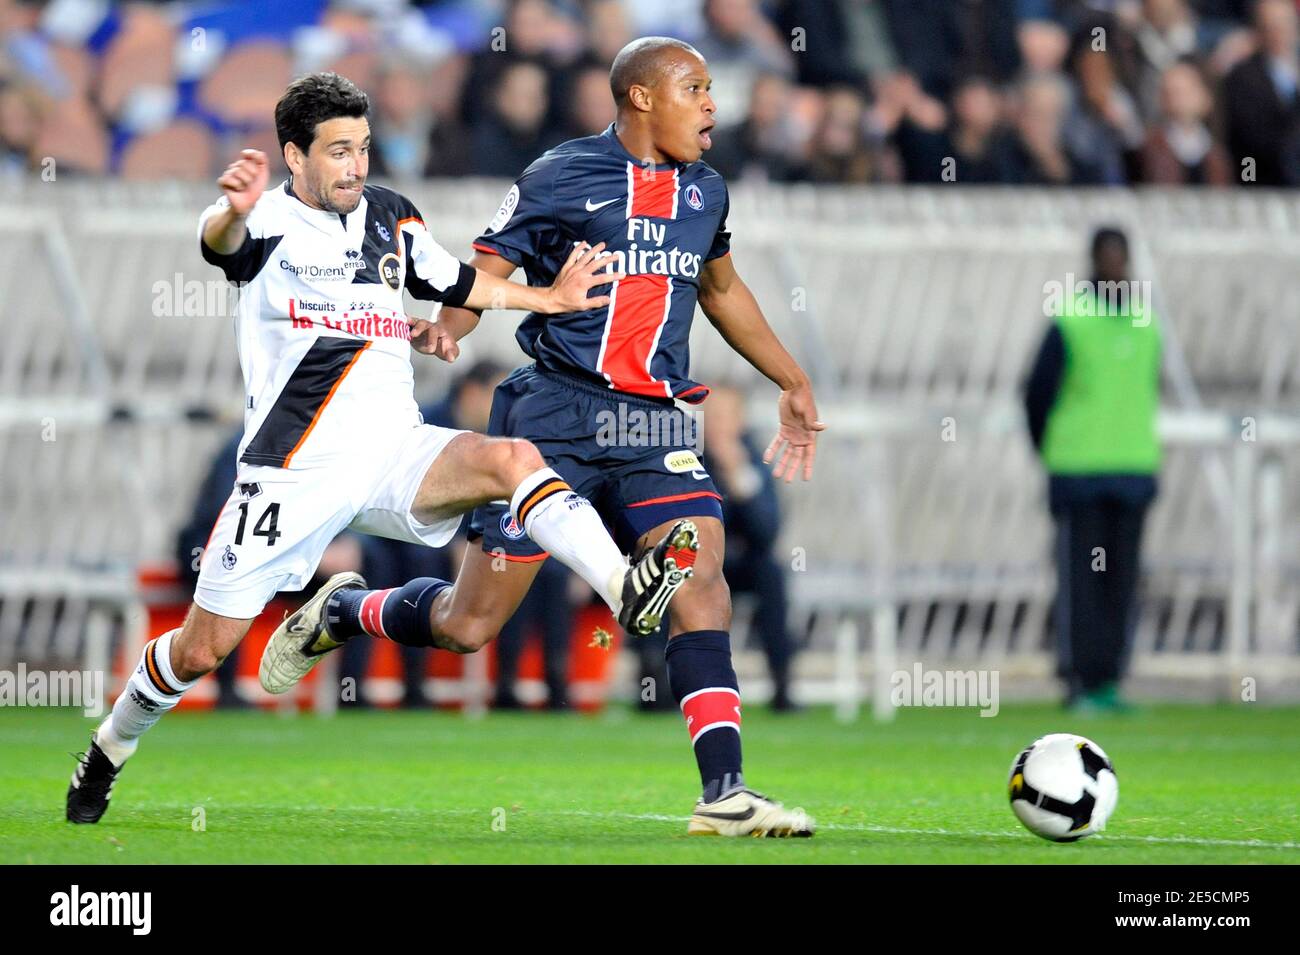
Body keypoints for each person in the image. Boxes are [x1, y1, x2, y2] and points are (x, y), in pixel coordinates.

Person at [66, 71, 698, 825]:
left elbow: (461, 281)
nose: (356, 166)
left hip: (394, 452)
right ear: (294, 157)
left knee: (515, 460)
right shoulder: (266, 221)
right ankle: (109, 747)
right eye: (338, 152)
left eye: (362, 148)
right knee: (200, 651)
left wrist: (546, 299)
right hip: (292, 473)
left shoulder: (391, 217)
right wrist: (224, 212)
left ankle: (623, 586)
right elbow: (221, 242)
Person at [426, 37, 825, 836]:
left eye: (714, 89)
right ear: (641, 97)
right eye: (695, 88)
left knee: (699, 575)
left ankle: (724, 791)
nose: (712, 104)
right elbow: (486, 263)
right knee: (469, 626)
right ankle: (348, 613)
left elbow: (721, 287)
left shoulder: (706, 191)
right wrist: (449, 326)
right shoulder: (559, 173)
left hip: (651, 424)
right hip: (552, 418)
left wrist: (791, 376)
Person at [1022, 227, 1161, 714]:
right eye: (1107, 258)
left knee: (1121, 582)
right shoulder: (1072, 318)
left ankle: (1110, 680)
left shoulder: (1145, 321)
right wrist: (1053, 448)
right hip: (1079, 472)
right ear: (1094, 261)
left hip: (1132, 469)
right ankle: (1079, 680)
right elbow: (1036, 393)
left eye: (1120, 258)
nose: (1115, 267)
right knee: (1081, 580)